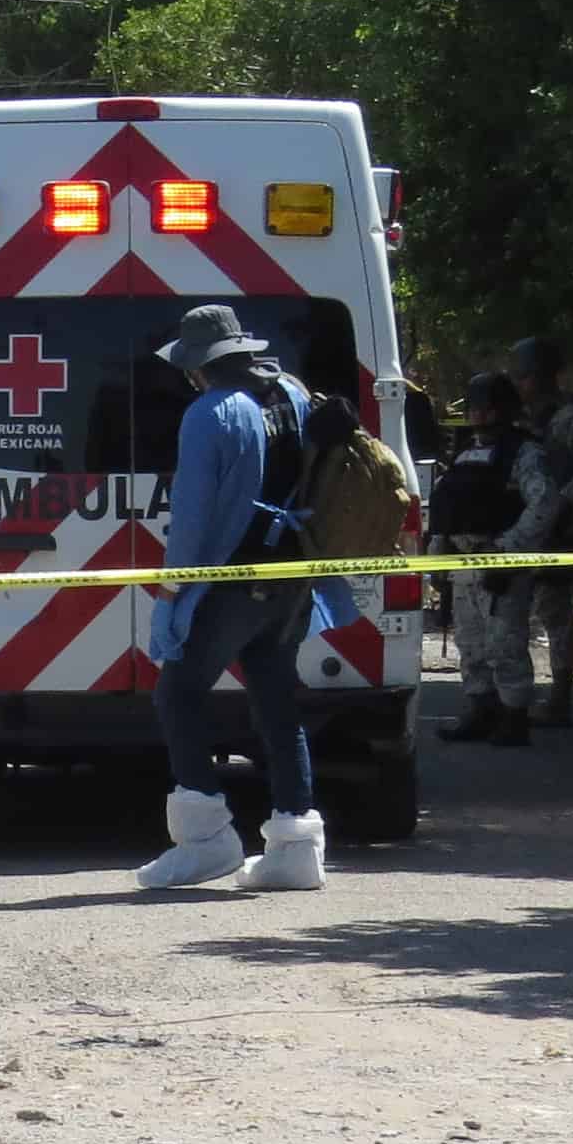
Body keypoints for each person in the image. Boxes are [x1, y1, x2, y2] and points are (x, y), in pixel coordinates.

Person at [137, 303, 350, 894]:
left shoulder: (210, 413)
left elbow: (194, 519)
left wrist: (174, 592)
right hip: (294, 572)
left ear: (197, 367)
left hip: (234, 578)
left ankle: (205, 841)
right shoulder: (292, 393)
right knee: (277, 700)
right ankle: (295, 847)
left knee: (178, 693)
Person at [429, 370, 565, 748]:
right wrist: (438, 555)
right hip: (463, 559)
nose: (478, 416)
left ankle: (514, 715)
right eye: (474, 409)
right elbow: (445, 506)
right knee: (470, 642)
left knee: (505, 642)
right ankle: (480, 708)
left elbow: (545, 502)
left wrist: (508, 547)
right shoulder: (465, 451)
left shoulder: (523, 452)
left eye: (486, 409)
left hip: (501, 558)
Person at [513, 337, 573, 727]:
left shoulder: (572, 417)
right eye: (520, 376)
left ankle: (560, 695)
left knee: (555, 613)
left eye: (529, 376)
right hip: (517, 528)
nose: (524, 384)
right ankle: (515, 696)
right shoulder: (521, 417)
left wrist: (559, 505)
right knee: (513, 612)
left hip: (554, 530)